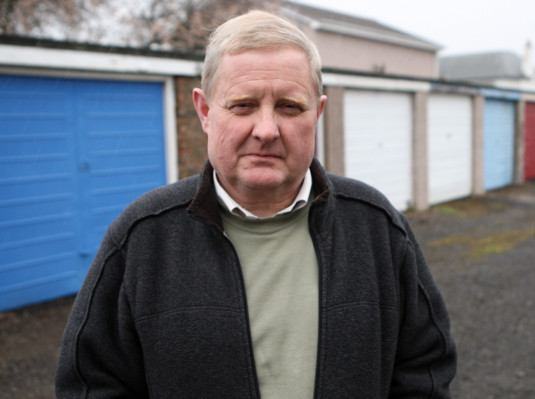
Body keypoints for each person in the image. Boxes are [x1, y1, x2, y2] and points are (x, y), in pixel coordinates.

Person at [56, 10, 456, 398]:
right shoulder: (142, 238)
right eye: (243, 105)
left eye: (289, 106)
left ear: (316, 114)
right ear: (205, 111)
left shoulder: (377, 229)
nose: (266, 130)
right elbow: (92, 384)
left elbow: (425, 372)